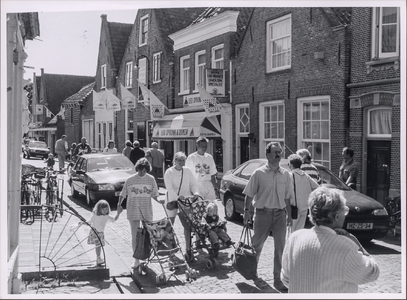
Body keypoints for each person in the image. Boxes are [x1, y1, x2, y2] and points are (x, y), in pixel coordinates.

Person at [281, 187, 380, 293]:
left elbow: (286, 278)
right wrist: (355, 242)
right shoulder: (345, 246)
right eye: (345, 211)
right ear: (337, 216)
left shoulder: (295, 238)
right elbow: (373, 272)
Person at [242, 141, 293, 291]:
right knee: (256, 246)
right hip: (262, 214)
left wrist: (289, 215)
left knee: (280, 248)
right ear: (268, 154)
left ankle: (278, 279)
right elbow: (249, 194)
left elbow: (287, 197)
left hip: (280, 215)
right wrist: (246, 212)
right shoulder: (258, 173)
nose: (278, 155)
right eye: (275, 152)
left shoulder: (286, 175)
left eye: (280, 152)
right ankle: (252, 272)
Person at [117, 157, 165, 269]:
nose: (142, 172)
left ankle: (145, 255)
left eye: (144, 170)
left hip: (146, 210)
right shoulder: (130, 180)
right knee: (135, 235)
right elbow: (122, 194)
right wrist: (119, 204)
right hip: (133, 209)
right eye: (140, 170)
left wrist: (160, 201)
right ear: (137, 169)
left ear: (147, 170)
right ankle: (136, 259)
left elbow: (154, 195)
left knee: (148, 235)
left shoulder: (151, 179)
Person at [164, 152, 200, 258]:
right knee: (170, 223)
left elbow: (193, 184)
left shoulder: (188, 171)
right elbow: (169, 188)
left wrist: (196, 193)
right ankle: (170, 247)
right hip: (172, 201)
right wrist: (177, 197)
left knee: (187, 224)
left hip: (186, 202)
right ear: (174, 161)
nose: (181, 162)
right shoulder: (169, 172)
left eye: (183, 160)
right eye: (179, 160)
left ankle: (188, 248)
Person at [82, 199, 120, 266]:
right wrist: (83, 223)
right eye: (103, 209)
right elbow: (90, 221)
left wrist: (118, 213)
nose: (105, 211)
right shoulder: (95, 215)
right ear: (99, 209)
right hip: (95, 231)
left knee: (99, 245)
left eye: (106, 209)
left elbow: (114, 219)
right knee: (98, 245)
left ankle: (98, 258)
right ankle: (98, 258)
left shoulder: (106, 216)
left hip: (101, 233)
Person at [287, 154, 319, 231]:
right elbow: (317, 187)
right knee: (299, 230)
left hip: (294, 208)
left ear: (291, 165)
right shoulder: (305, 175)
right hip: (305, 207)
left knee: (291, 231)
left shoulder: (290, 175)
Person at [185, 136, 219, 201]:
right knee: (199, 207)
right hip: (196, 185)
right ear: (197, 145)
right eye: (202, 146)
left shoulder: (209, 157)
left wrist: (215, 188)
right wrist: (189, 189)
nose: (204, 148)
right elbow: (187, 175)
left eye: (205, 146)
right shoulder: (191, 158)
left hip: (208, 185)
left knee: (210, 206)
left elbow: (212, 174)